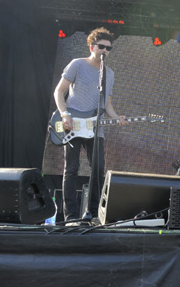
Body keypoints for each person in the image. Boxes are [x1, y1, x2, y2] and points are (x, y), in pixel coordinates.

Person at [53, 27, 127, 225]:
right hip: (72, 124)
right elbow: (59, 92)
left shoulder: (109, 73)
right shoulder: (77, 64)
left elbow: (107, 104)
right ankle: (71, 216)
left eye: (108, 48)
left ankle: (93, 214)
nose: (105, 51)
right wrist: (65, 114)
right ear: (92, 46)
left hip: (95, 128)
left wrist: (117, 117)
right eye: (101, 46)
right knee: (72, 169)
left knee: (98, 170)